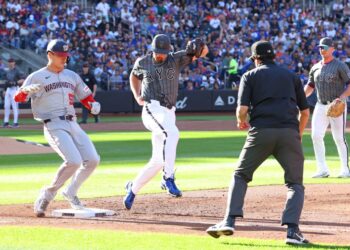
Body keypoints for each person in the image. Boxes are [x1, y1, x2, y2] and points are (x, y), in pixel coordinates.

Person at [206, 40, 310, 245]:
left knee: (240, 175)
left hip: (261, 132)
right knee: (295, 184)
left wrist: (240, 121)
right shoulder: (291, 76)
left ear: (256, 58)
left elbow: (242, 109)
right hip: (289, 132)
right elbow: (305, 112)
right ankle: (292, 232)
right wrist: (296, 134)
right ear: (274, 57)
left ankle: (229, 221)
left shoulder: (250, 75)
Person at [14, 39, 101, 217]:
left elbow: (85, 97)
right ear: (50, 55)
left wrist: (93, 105)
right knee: (74, 161)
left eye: (66, 56)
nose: (64, 59)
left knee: (92, 160)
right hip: (53, 124)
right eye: (60, 55)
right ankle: (47, 195)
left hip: (72, 123)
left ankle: (71, 191)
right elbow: (18, 99)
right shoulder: (37, 76)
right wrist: (24, 92)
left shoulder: (72, 75)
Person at [123, 34, 208, 209]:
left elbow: (204, 52)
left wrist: (199, 46)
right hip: (151, 108)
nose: (160, 55)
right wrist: (136, 94)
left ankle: (133, 189)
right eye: (158, 52)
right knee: (173, 132)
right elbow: (133, 76)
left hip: (169, 112)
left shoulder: (175, 59)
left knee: (157, 161)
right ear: (152, 49)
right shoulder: (143, 62)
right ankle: (168, 177)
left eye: (163, 52)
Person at [304, 37, 350, 178]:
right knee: (316, 136)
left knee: (339, 138)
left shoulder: (340, 66)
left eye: (324, 47)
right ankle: (322, 169)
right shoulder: (315, 66)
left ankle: (345, 169)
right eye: (320, 47)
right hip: (320, 105)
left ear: (332, 49)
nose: (321, 49)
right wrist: (300, 97)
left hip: (337, 105)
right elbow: (311, 86)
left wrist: (341, 98)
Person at [3, 58, 24, 128]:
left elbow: (23, 79)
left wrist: (15, 82)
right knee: (6, 106)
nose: (10, 63)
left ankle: (15, 122)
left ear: (14, 63)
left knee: (15, 106)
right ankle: (6, 122)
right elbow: (6, 81)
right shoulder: (8, 71)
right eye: (9, 62)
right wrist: (4, 90)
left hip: (15, 89)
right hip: (8, 89)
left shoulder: (17, 71)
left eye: (11, 62)